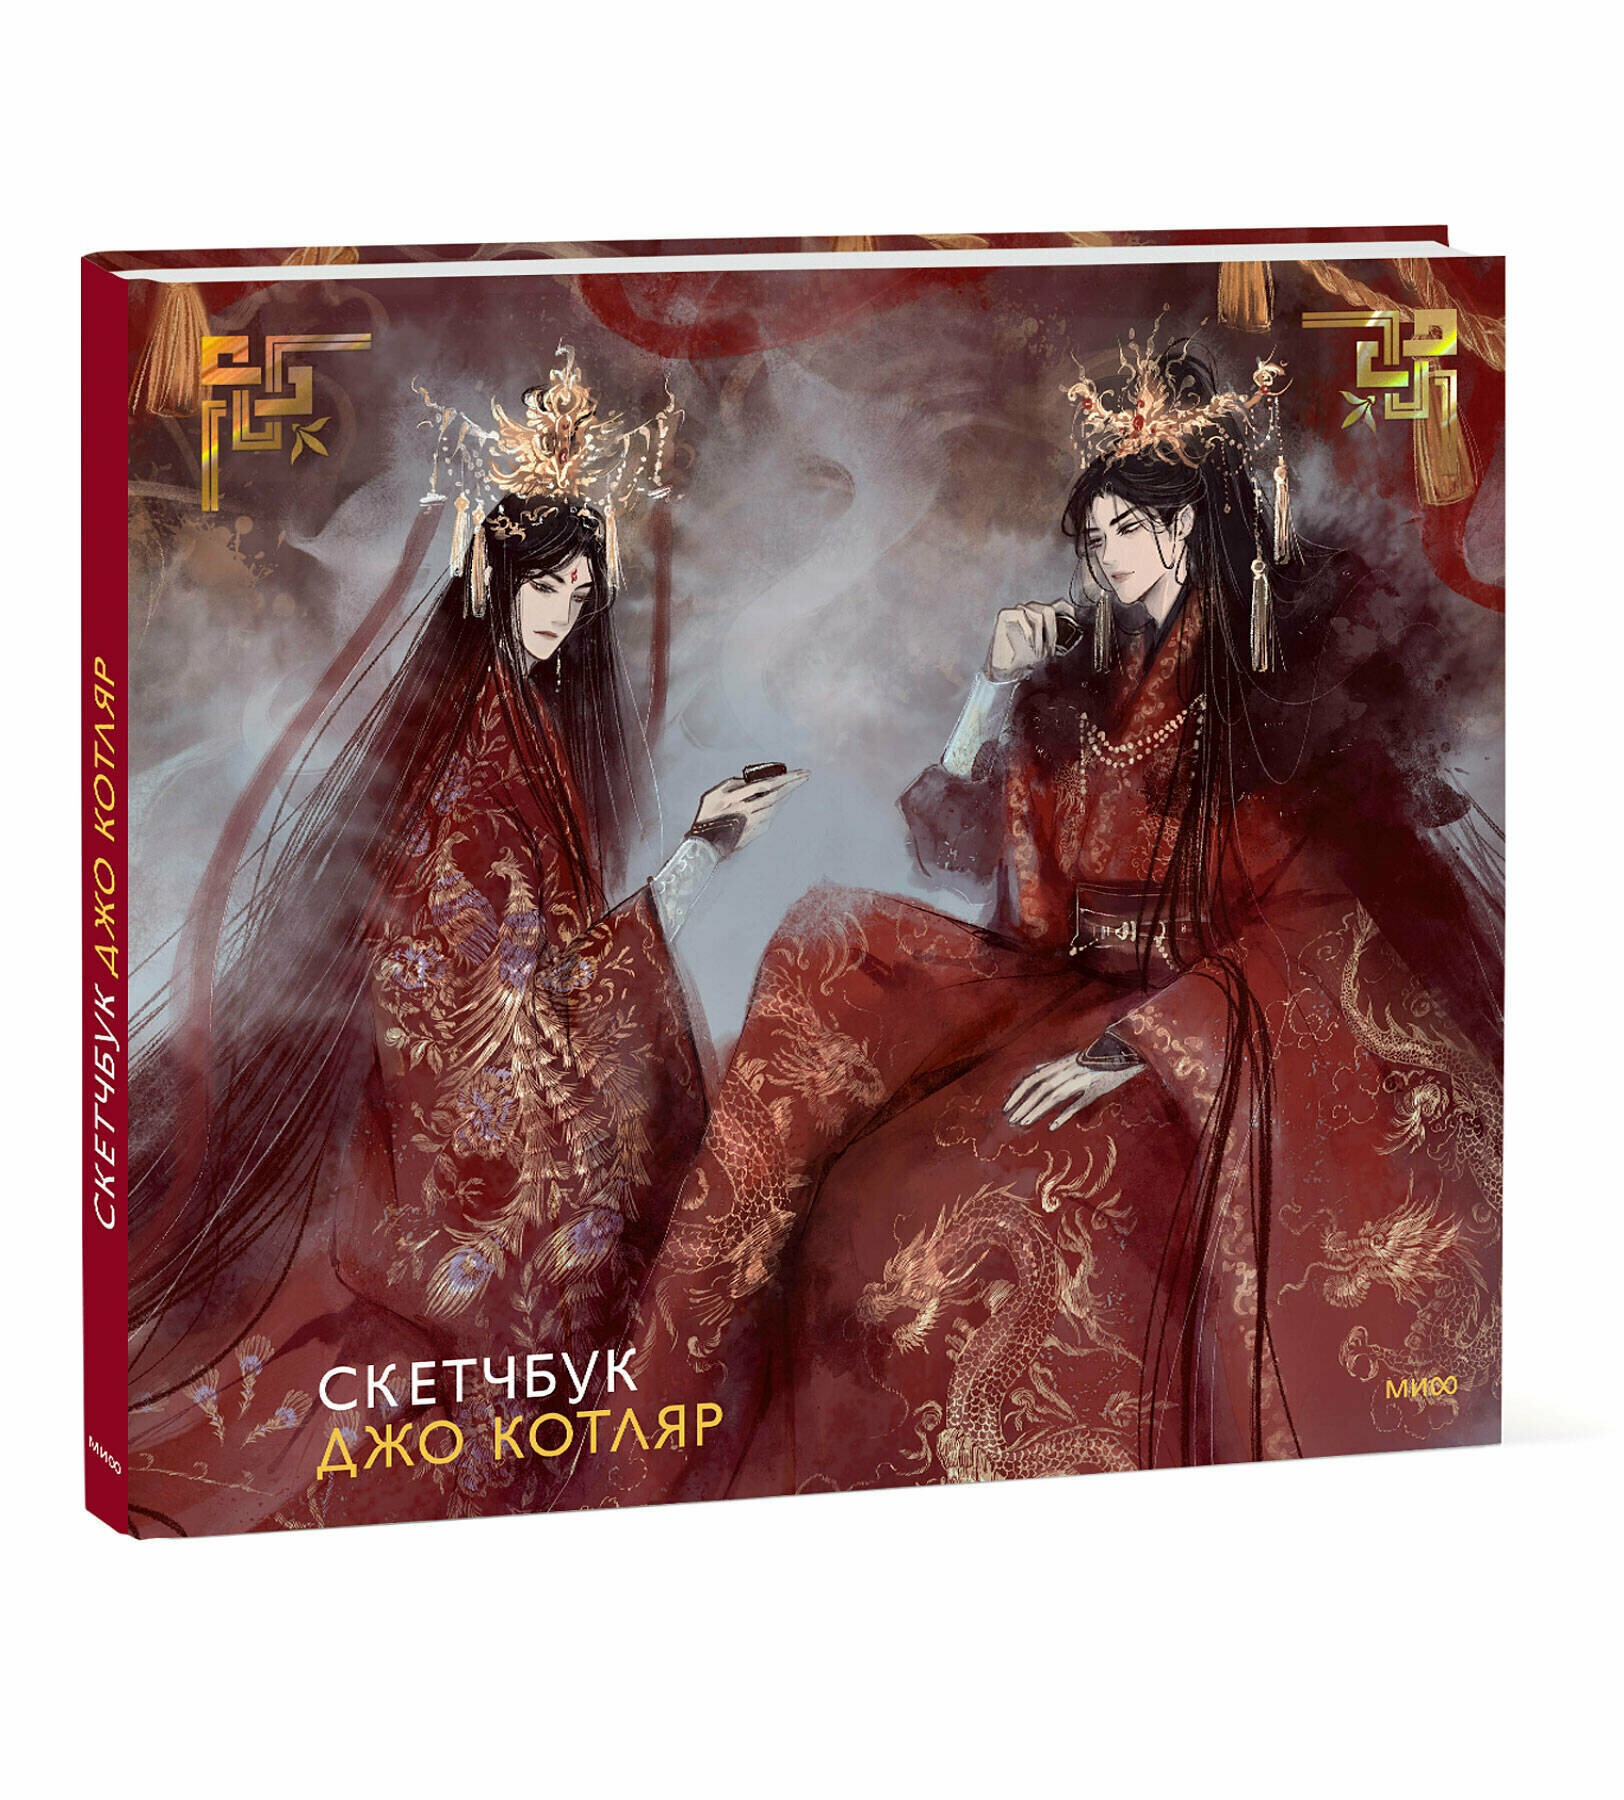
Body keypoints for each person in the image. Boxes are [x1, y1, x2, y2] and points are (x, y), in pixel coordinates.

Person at [569, 340, 1503, 1509]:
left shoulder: (1270, 700)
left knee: (967, 1233)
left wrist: (1137, 1044)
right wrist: (987, 688)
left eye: (1124, 530)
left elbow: (1308, 921)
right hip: (1065, 997)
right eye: (1093, 535)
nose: (1103, 556)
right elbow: (959, 846)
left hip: (1202, 1037)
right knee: (853, 1135)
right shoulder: (1077, 687)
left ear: (1183, 528)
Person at [126, 351, 805, 1534]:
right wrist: (702, 851)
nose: (562, 614)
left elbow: (547, 969)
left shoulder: (518, 722)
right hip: (452, 1119)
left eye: (580, 593)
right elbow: (504, 990)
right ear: (492, 579)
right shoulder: (484, 756)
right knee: (631, 1251)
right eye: (544, 586)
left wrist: (694, 854)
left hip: (491, 1079)